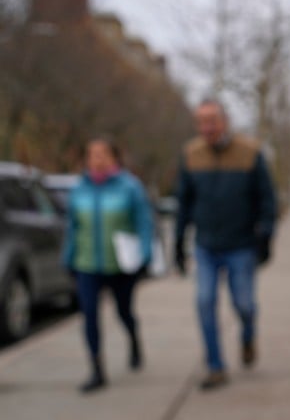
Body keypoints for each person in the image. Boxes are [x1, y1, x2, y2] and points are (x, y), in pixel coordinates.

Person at [174, 99, 277, 390]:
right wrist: (178, 243)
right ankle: (215, 366)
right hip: (206, 245)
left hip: (241, 245)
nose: (206, 128)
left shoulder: (250, 153)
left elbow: (267, 200)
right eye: (201, 122)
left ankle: (248, 334)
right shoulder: (191, 155)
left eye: (212, 121)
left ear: (225, 121)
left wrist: (265, 236)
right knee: (205, 302)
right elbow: (184, 203)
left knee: (244, 304)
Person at [62, 137, 153, 393]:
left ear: (114, 157)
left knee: (123, 312)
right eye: (92, 154)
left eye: (102, 154)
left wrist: (144, 255)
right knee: (89, 314)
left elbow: (144, 222)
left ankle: (133, 338)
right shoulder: (80, 188)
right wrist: (68, 257)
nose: (97, 159)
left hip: (121, 263)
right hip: (87, 263)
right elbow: (72, 227)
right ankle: (96, 369)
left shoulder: (129, 187)